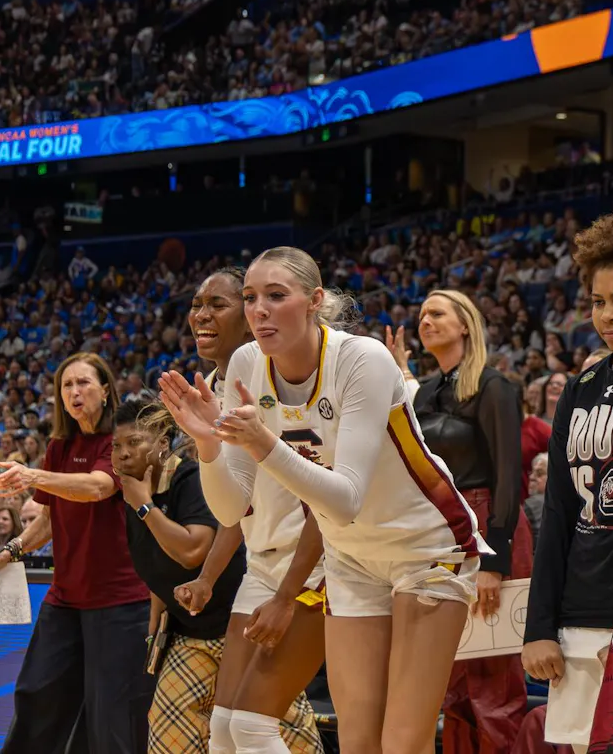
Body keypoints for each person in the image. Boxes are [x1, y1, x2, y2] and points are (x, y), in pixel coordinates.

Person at [160, 246, 488, 754]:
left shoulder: (363, 359)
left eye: (276, 295)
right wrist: (208, 445)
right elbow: (229, 510)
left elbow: (347, 498)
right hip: (350, 556)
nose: (259, 309)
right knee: (358, 742)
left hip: (424, 546)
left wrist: (262, 443)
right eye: (250, 297)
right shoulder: (247, 363)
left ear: (314, 301)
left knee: (403, 741)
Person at [524, 209, 613, 753]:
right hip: (579, 610)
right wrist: (539, 626)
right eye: (598, 302)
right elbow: (558, 508)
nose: (607, 315)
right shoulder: (582, 384)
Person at [173, 266, 324, 754]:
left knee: (252, 729)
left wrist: (287, 593)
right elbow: (235, 508)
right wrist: (210, 578)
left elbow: (329, 501)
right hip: (261, 561)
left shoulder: (305, 378)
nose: (202, 315)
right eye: (197, 304)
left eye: (218, 304)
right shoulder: (212, 391)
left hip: (320, 562)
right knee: (223, 730)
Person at [0, 353, 153, 754]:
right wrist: (12, 549)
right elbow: (48, 517)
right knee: (35, 693)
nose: (75, 392)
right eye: (66, 386)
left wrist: (32, 474)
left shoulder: (122, 439)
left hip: (119, 601)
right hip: (65, 598)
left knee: (110, 716)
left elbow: (97, 487)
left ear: (105, 389)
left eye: (83, 383)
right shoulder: (60, 445)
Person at [389, 288, 533, 754]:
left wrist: (496, 561)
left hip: (489, 527)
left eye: (437, 313)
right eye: (422, 314)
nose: (425, 320)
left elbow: (510, 477)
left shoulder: (494, 387)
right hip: (441, 534)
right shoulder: (428, 390)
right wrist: (399, 375)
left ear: (465, 325)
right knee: (448, 683)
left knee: (493, 686)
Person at [112, 398, 249, 752]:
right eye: (116, 446)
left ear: (162, 443)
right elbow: (158, 562)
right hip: (188, 630)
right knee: (167, 729)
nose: (122, 454)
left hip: (241, 622)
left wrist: (145, 507)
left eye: (133, 442)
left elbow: (192, 553)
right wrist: (156, 626)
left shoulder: (190, 478)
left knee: (262, 726)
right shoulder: (135, 493)